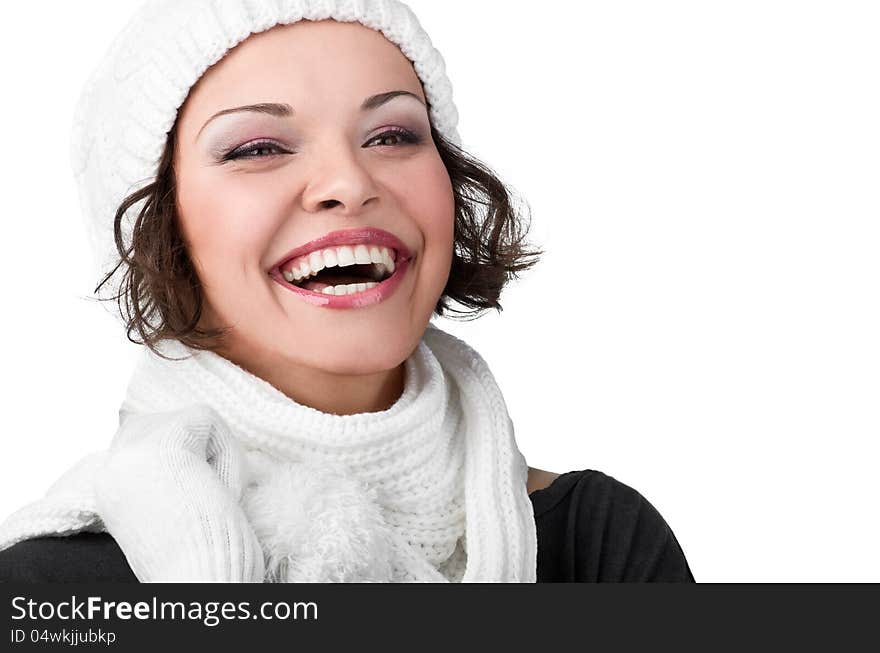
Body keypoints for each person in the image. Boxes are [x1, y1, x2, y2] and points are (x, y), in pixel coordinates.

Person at [0, 0, 693, 583]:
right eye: (257, 148)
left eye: (392, 133)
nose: (350, 182)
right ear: (161, 225)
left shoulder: (600, 548)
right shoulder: (51, 590)